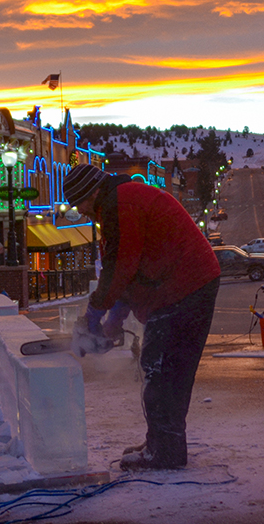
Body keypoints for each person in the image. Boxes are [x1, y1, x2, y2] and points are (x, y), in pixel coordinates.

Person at [64, 163, 220, 471]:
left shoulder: (120, 205)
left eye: (79, 203)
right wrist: (114, 321)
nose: (80, 211)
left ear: (92, 193)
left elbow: (119, 267)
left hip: (185, 285)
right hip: (179, 285)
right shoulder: (120, 202)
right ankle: (160, 442)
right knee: (160, 367)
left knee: (162, 369)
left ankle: (166, 451)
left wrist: (93, 316)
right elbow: (130, 272)